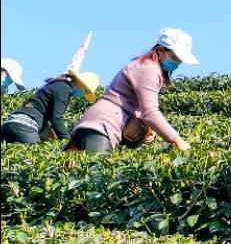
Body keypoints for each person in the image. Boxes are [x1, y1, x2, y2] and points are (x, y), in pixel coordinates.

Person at [68, 29, 197, 153]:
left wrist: (152, 131)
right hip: (101, 125)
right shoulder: (148, 69)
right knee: (95, 170)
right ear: (160, 50)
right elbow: (150, 112)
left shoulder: (146, 67)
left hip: (100, 124)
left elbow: (138, 108)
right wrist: (176, 139)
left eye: (180, 60)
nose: (177, 63)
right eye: (174, 57)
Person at [1, 71, 99, 144]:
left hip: (9, 124)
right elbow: (56, 118)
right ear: (80, 84)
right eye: (85, 91)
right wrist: (68, 142)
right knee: (35, 163)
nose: (83, 94)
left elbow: (43, 115)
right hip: (24, 126)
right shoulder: (64, 89)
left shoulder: (56, 85)